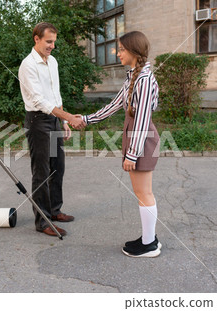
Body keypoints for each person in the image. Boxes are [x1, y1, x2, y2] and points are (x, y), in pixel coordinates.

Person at [80, 31, 161, 257]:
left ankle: (149, 245)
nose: (118, 53)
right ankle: (149, 238)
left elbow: (143, 120)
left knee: (144, 193)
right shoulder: (133, 77)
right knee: (141, 192)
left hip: (141, 141)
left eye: (122, 49)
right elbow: (114, 106)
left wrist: (132, 155)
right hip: (135, 138)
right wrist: (86, 119)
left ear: (134, 52)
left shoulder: (144, 80)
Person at [18, 22, 84, 237]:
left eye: (54, 42)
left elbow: (56, 94)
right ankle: (43, 221)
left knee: (57, 167)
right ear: (36, 39)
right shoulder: (28, 66)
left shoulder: (52, 61)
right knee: (41, 172)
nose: (52, 46)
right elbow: (39, 101)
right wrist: (69, 118)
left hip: (54, 120)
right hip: (38, 121)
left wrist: (63, 122)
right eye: (48, 41)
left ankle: (55, 211)